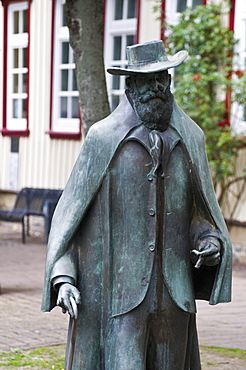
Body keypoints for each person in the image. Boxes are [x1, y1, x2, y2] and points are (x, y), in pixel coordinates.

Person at [42, 40, 232, 369]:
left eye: (163, 79)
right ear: (130, 85)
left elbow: (200, 215)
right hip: (118, 300)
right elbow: (72, 217)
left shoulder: (191, 140)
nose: (158, 88)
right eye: (148, 80)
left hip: (175, 299)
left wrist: (209, 241)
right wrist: (63, 277)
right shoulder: (103, 140)